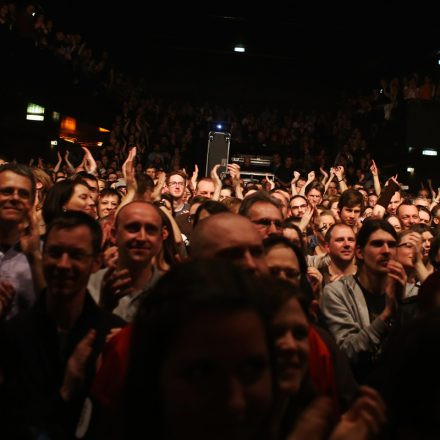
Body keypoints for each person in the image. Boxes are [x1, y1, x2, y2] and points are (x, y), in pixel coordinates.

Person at [0, 211, 125, 439]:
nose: (63, 264)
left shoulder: (113, 336)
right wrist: (66, 392)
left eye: (76, 255)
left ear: (96, 262)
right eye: (55, 253)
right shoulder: (14, 334)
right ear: (43, 255)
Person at [320, 218, 408, 382]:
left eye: (392, 244)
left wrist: (404, 306)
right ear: (359, 252)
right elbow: (347, 352)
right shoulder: (337, 293)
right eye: (377, 244)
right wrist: (388, 314)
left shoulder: (407, 291)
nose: (386, 250)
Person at [88, 201, 166, 322]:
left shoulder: (170, 291)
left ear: (161, 239)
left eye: (151, 230)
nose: (142, 237)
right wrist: (104, 308)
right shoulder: (89, 286)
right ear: (114, 235)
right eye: (133, 228)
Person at [0, 163, 37, 319]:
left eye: (23, 194)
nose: (15, 198)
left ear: (32, 201)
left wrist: (36, 258)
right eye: (7, 191)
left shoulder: (44, 254)